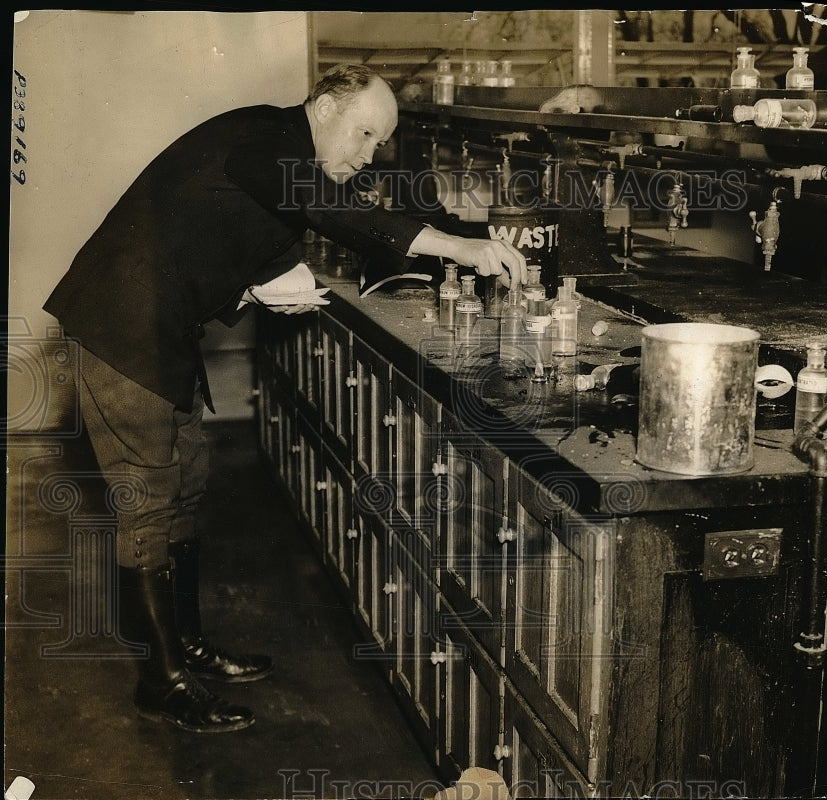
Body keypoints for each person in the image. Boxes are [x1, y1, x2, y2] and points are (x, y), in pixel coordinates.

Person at [42, 63, 527, 734]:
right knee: (147, 501)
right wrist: (456, 247)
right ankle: (162, 681)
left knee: (186, 480)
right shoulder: (267, 138)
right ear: (324, 108)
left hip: (163, 329)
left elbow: (278, 231)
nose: (364, 156)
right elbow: (332, 207)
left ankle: (185, 647)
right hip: (119, 326)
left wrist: (265, 283)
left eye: (377, 143)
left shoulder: (284, 162)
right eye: (361, 134)